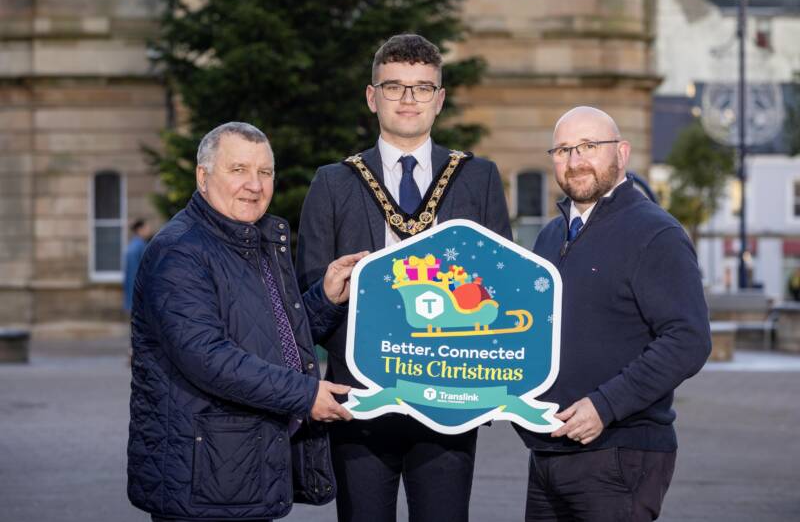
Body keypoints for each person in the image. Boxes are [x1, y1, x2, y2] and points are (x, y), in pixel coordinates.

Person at [295, 34, 512, 522]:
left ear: (440, 99)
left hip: (451, 399)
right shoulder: (333, 183)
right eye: (394, 87)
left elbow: (501, 284)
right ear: (372, 97)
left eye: (422, 87)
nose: (408, 99)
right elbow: (307, 300)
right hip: (362, 399)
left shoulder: (477, 179)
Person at [127, 122, 367, 522]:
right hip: (203, 479)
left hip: (240, 468)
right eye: (238, 170)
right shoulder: (180, 252)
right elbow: (208, 358)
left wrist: (324, 298)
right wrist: (305, 394)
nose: (254, 185)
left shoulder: (254, 241)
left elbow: (267, 337)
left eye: (265, 172)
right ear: (203, 177)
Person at [515, 106, 711, 522]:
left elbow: (687, 339)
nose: (575, 160)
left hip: (618, 453)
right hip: (548, 453)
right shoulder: (551, 236)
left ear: (621, 154)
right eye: (563, 149)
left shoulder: (655, 233)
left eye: (589, 146)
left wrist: (605, 406)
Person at [123, 218, 151, 312]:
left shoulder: (133, 245)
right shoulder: (139, 246)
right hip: (139, 291)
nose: (149, 230)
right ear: (140, 230)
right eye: (146, 228)